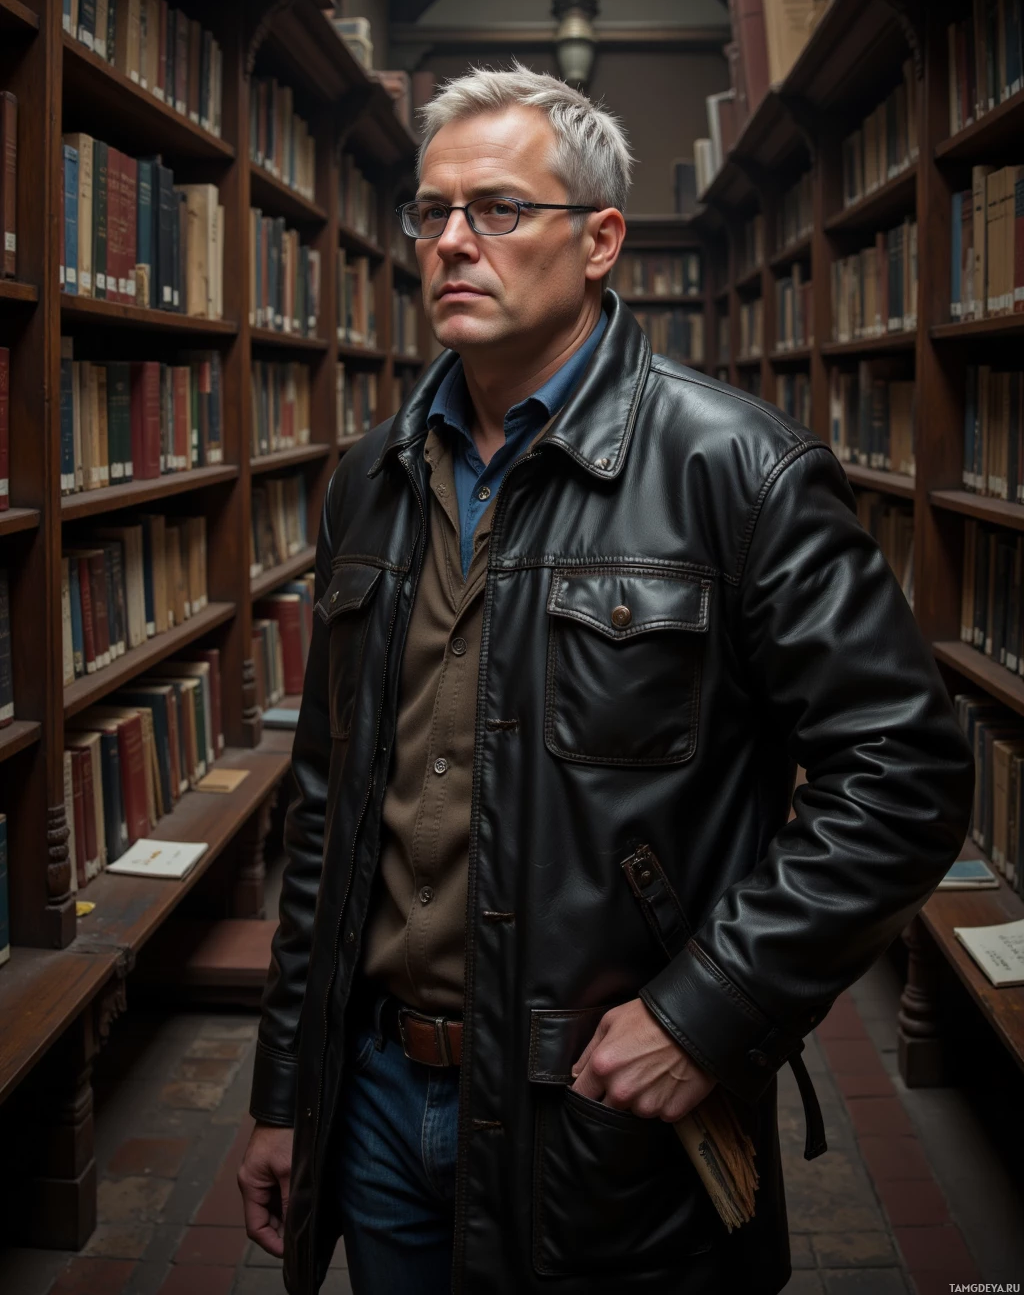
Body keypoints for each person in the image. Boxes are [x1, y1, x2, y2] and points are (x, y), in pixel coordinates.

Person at [238, 63, 973, 1295]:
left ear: (601, 242)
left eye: (498, 209)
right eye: (431, 213)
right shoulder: (371, 476)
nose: (453, 242)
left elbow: (903, 774)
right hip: (371, 1094)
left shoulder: (735, 471)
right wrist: (284, 1088)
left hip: (592, 1109)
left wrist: (710, 1005)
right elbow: (326, 804)